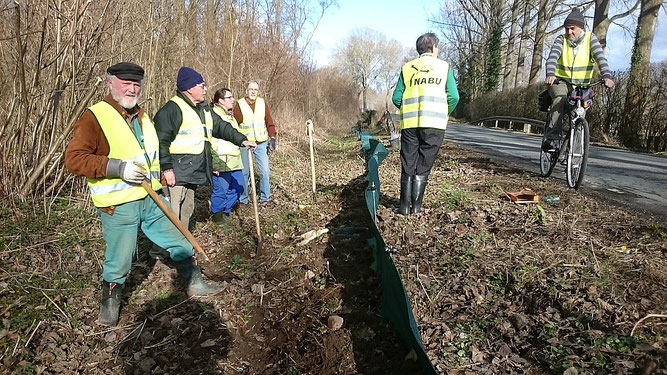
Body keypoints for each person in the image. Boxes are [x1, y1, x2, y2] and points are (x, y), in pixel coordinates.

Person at [65, 62, 223, 327]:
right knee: (119, 260)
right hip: (118, 205)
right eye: (125, 83)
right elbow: (74, 159)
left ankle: (195, 283)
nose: (131, 89)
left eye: (136, 84)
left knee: (179, 239)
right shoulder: (95, 117)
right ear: (110, 84)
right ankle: (110, 308)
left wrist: (162, 177)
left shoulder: (143, 116)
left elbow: (151, 155)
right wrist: (116, 167)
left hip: (151, 198)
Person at [152, 67, 256, 259]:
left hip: (193, 170)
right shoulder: (172, 110)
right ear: (189, 88)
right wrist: (166, 169)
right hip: (176, 170)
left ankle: (181, 243)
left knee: (187, 208)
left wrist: (242, 140)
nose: (205, 88)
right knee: (172, 211)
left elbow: (222, 127)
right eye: (201, 85)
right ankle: (162, 249)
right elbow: (161, 142)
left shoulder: (203, 110)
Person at [392, 32, 459, 215]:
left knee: (408, 162)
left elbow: (396, 97)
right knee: (424, 163)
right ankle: (417, 208)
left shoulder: (407, 68)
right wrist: (443, 111)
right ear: (433, 48)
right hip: (434, 124)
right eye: (437, 47)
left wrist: (407, 108)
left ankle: (404, 207)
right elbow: (454, 96)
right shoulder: (444, 67)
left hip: (410, 123)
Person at [543, 9, 614, 151]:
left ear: (581, 28)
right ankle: (552, 140)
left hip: (582, 86)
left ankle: (575, 152)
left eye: (572, 28)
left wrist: (607, 76)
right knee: (559, 100)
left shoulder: (590, 39)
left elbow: (601, 58)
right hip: (560, 82)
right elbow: (552, 58)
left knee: (579, 112)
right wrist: (550, 73)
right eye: (567, 28)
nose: (569, 32)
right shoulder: (561, 40)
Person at [232, 80, 277, 204]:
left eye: (255, 90)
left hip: (261, 143)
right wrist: (238, 140)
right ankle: (243, 199)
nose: (253, 92)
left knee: (265, 171)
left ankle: (265, 197)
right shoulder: (239, 105)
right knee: (244, 172)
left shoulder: (262, 103)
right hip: (245, 144)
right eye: (251, 89)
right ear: (246, 91)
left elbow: (269, 121)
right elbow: (234, 125)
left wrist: (272, 136)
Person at [210, 88, 245, 228]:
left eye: (232, 97)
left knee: (239, 187)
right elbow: (212, 142)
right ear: (220, 101)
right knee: (221, 191)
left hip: (234, 161)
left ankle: (225, 210)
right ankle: (217, 217)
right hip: (222, 160)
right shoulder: (214, 116)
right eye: (229, 98)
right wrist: (214, 163)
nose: (233, 100)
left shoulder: (230, 115)